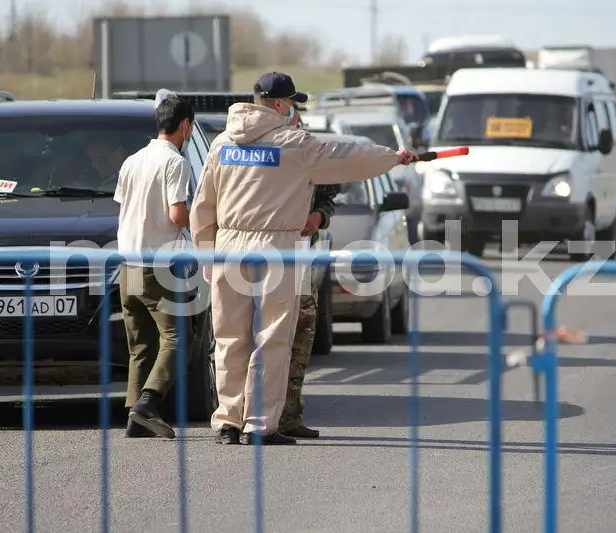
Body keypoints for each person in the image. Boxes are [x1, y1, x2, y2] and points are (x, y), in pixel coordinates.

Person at [191, 71, 416, 446]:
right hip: (277, 248)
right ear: (279, 104)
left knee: (229, 336)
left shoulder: (221, 144)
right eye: (292, 103)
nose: (293, 110)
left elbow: (203, 207)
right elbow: (350, 158)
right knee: (273, 337)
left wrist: (206, 256)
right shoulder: (296, 144)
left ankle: (228, 421)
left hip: (227, 246)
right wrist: (392, 158)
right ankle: (259, 424)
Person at [114, 94, 194, 439]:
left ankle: (136, 414)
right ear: (186, 125)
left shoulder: (132, 159)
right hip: (158, 264)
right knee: (179, 339)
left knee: (142, 345)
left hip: (126, 264)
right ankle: (148, 404)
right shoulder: (176, 163)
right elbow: (177, 214)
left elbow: (123, 205)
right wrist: (204, 222)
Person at [277, 104, 339, 439]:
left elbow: (329, 196)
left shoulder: (310, 148)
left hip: (300, 256)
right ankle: (249, 415)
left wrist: (318, 218)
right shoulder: (250, 148)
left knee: (301, 332)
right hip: (256, 258)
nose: (293, 115)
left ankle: (289, 414)